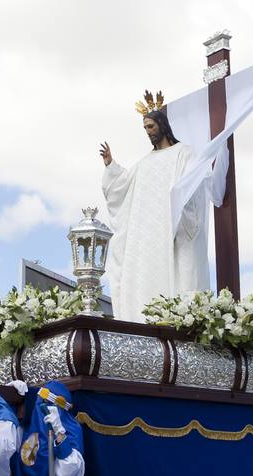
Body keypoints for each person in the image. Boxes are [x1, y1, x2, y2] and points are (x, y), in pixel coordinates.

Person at [99, 90, 210, 321]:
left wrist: (179, 209)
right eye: (145, 128)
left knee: (178, 279)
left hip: (173, 231)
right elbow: (123, 186)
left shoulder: (183, 154)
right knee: (144, 281)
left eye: (151, 127)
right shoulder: (144, 163)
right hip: (147, 239)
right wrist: (111, 165)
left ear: (162, 125)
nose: (148, 132)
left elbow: (194, 186)